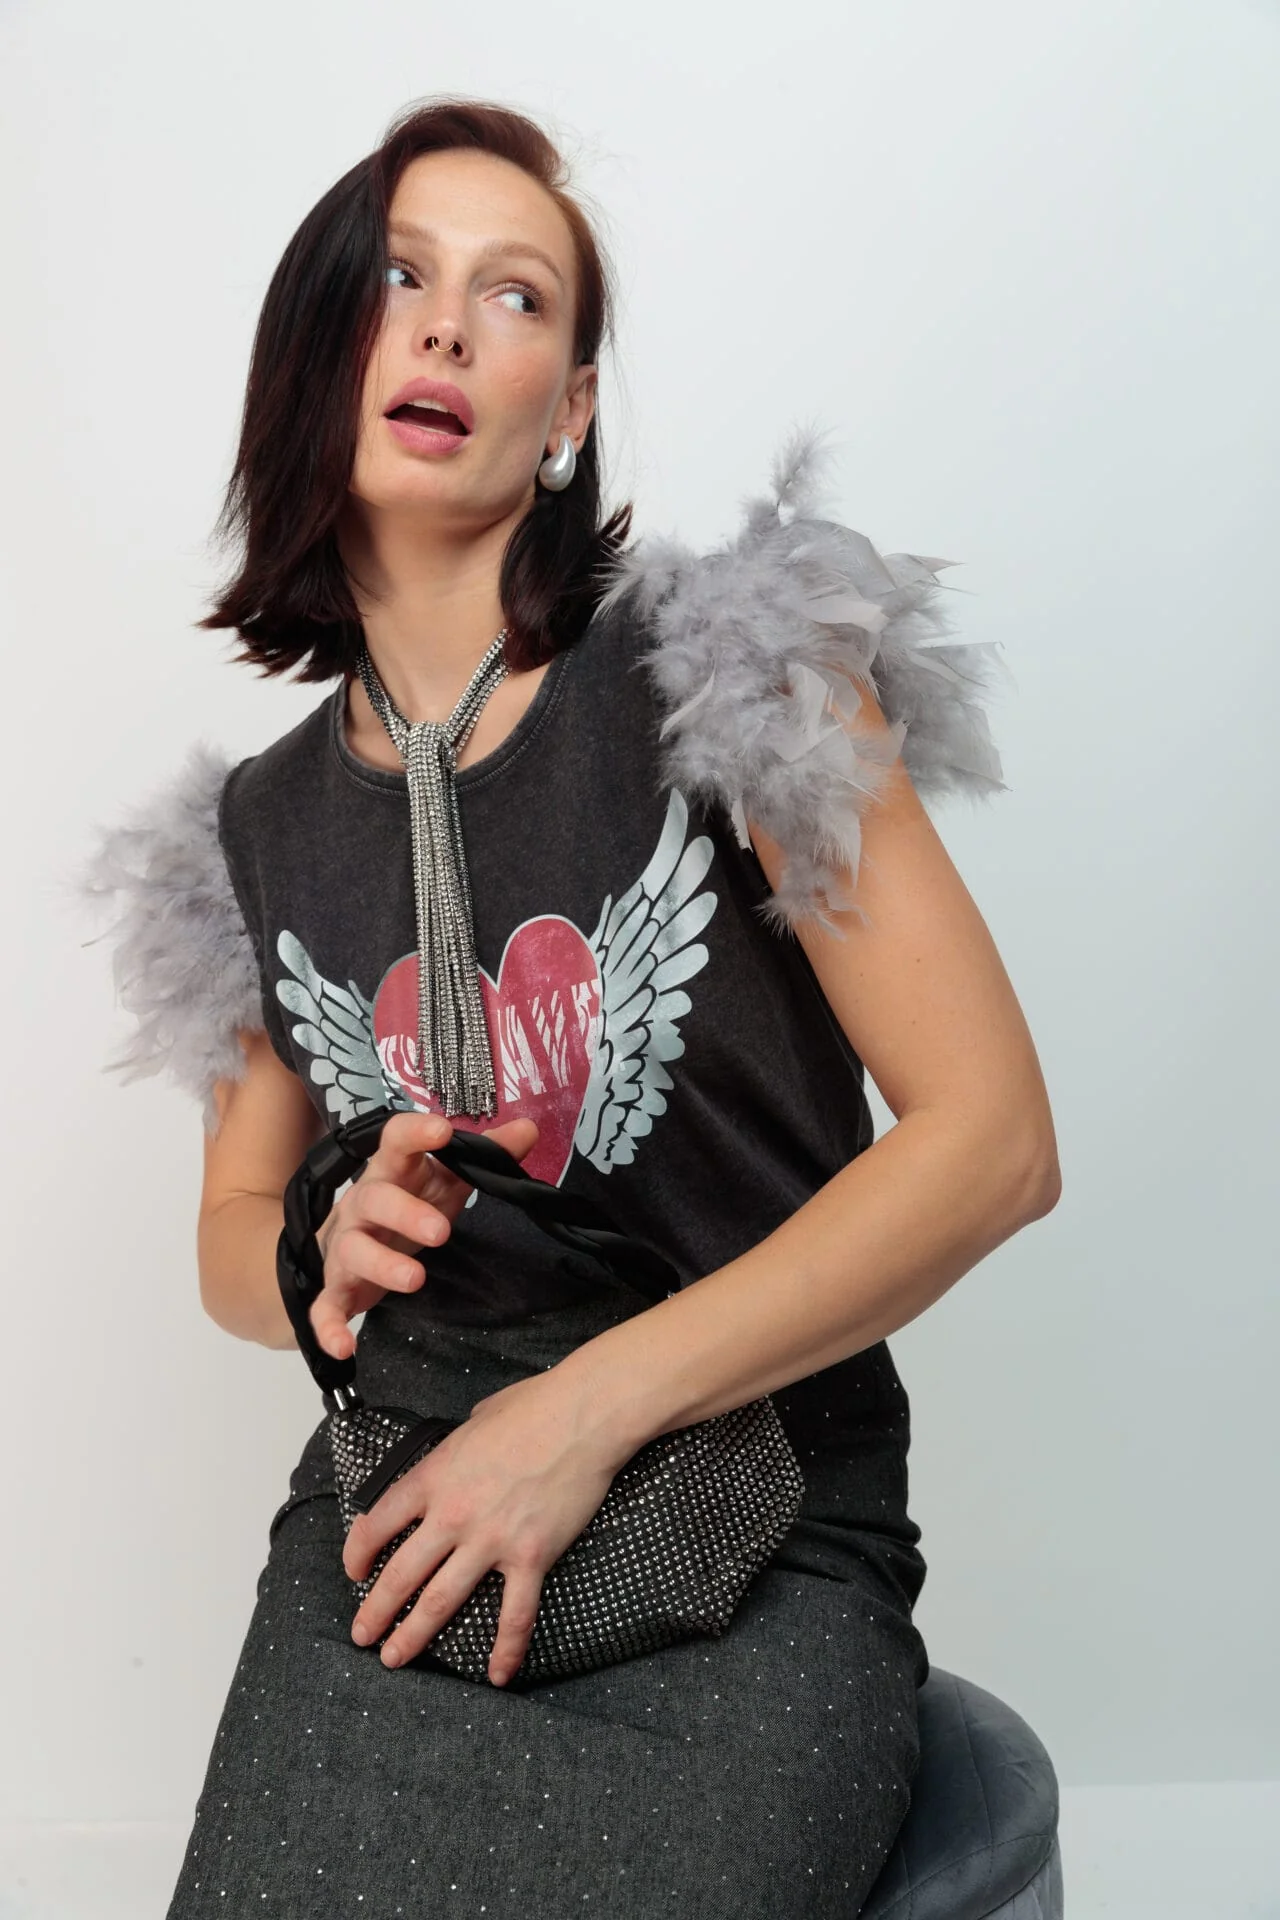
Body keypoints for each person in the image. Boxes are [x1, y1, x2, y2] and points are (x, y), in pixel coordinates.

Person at [81, 94, 1061, 1919]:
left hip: (751, 1521)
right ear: (317, 347)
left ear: (572, 410)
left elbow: (995, 1143)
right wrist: (311, 1251)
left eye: (515, 294)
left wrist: (579, 1416)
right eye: (400, 277)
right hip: (402, 1527)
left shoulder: (729, 678)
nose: (451, 326)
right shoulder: (253, 832)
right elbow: (230, 1228)